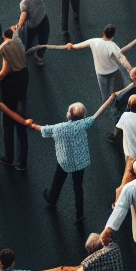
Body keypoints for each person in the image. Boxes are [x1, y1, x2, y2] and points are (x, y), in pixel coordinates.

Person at [29, 89, 119, 220]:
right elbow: (98, 113)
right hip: (80, 162)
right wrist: (111, 98)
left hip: (65, 161)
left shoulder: (60, 127)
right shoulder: (84, 124)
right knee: (78, 186)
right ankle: (79, 213)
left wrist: (31, 124)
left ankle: (52, 199)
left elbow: (43, 129)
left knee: (58, 181)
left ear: (70, 115)